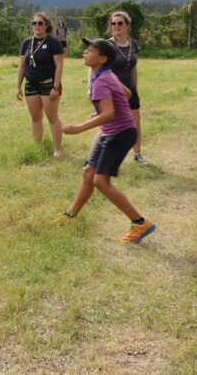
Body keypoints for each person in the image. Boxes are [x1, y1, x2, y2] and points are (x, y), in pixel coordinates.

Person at [55, 38, 156, 244]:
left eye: (90, 50)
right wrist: (101, 112)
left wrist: (80, 128)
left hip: (119, 134)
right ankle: (72, 215)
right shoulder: (106, 74)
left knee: (100, 181)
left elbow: (109, 113)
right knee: (88, 173)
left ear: (102, 58)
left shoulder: (101, 79)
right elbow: (126, 94)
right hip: (113, 131)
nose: (85, 53)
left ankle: (139, 222)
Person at [16, 12, 65, 157]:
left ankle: (57, 150)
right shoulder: (26, 43)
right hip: (31, 85)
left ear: (46, 26)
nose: (37, 26)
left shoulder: (53, 42)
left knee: (52, 118)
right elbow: (22, 67)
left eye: (40, 23)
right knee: (35, 118)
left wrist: (55, 87)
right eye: (34, 23)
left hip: (48, 85)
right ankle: (38, 148)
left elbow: (59, 66)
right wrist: (18, 86)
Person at [107, 10, 147, 164]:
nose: (116, 26)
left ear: (127, 26)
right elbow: (98, 68)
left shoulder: (134, 44)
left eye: (120, 23)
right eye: (113, 23)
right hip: (113, 92)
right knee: (111, 125)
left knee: (135, 123)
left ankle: (137, 154)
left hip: (131, 92)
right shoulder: (107, 45)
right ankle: (105, 156)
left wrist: (134, 88)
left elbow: (133, 67)